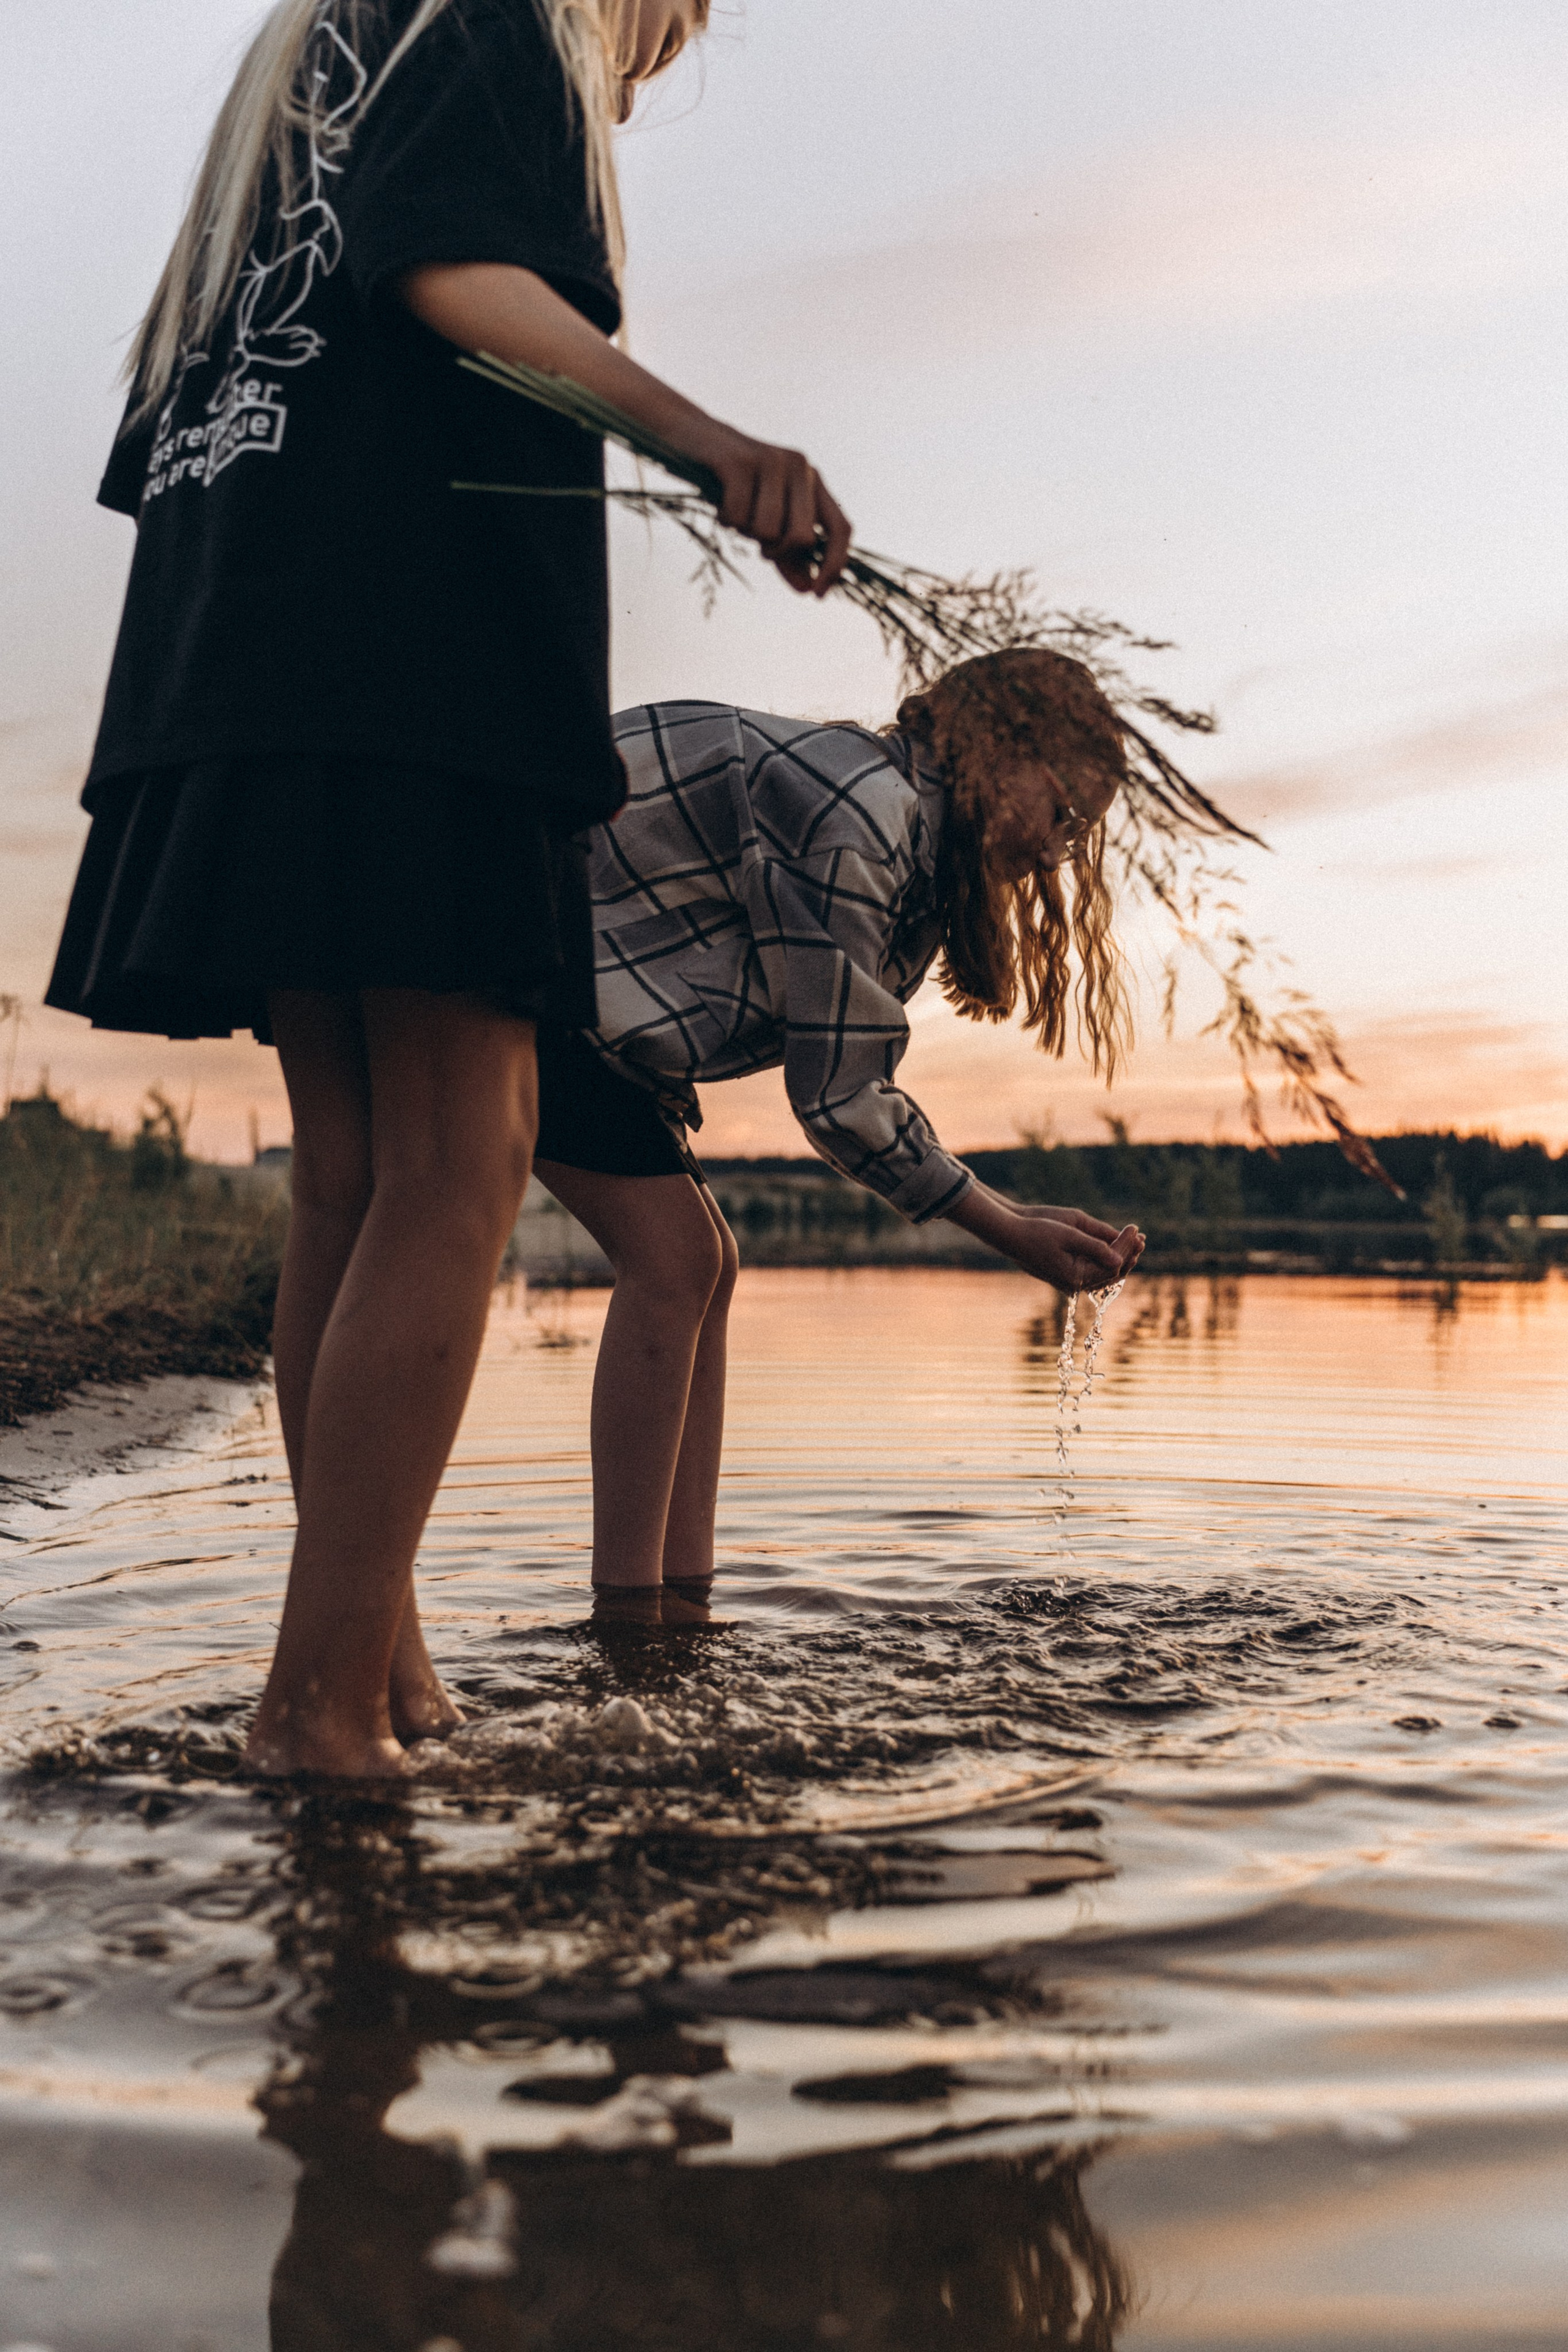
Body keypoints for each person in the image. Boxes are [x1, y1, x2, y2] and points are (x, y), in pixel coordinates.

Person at [43, 0, 853, 1776]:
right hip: (411, 657)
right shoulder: (491, 20)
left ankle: (382, 1669)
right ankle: (320, 1711)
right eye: (672, 20)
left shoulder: (310, 80)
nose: (657, 55)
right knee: (464, 1158)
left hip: (234, 643)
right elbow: (453, 278)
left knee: (347, 1175)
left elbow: (211, 397)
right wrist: (708, 442)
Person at [530, 647, 1148, 1627]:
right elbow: (841, 1097)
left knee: (707, 1264)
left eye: (1079, 841)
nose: (1058, 853)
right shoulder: (864, 811)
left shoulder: (903, 839)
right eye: (1065, 815)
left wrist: (1012, 1214)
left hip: (589, 994)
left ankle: (682, 1598)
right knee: (677, 1259)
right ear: (1002, 749)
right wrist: (1009, 1227)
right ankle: (628, 1616)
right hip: (521, 939)